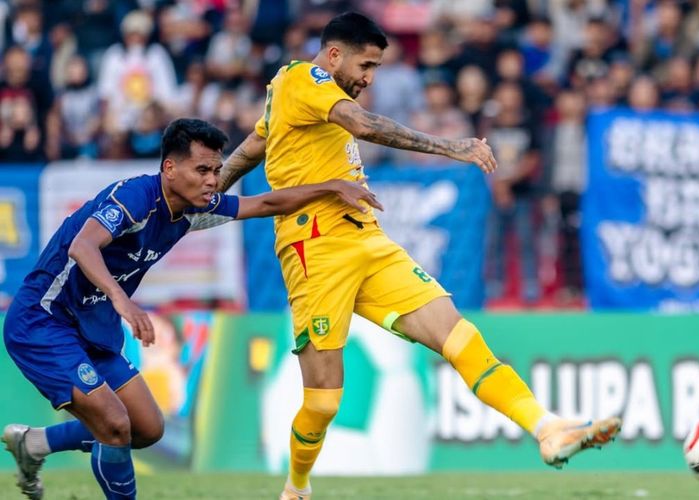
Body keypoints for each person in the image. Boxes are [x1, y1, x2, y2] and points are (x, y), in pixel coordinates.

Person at [218, 12, 621, 500]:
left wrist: (212, 188)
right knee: (323, 403)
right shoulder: (305, 78)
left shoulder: (298, 94)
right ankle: (296, 489)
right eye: (366, 65)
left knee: (460, 336)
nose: (370, 78)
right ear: (334, 55)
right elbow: (361, 125)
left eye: (376, 68)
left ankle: (546, 428)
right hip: (315, 248)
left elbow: (256, 144)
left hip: (367, 240)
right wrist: (451, 147)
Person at [1, 118, 380, 500]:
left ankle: (35, 443)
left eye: (216, 170)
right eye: (202, 170)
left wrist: (331, 187)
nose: (213, 180)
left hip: (91, 326)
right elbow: (82, 247)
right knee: (114, 424)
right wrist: (121, 300)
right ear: (170, 168)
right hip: (42, 320)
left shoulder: (192, 210)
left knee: (147, 428)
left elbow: (265, 203)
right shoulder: (135, 197)